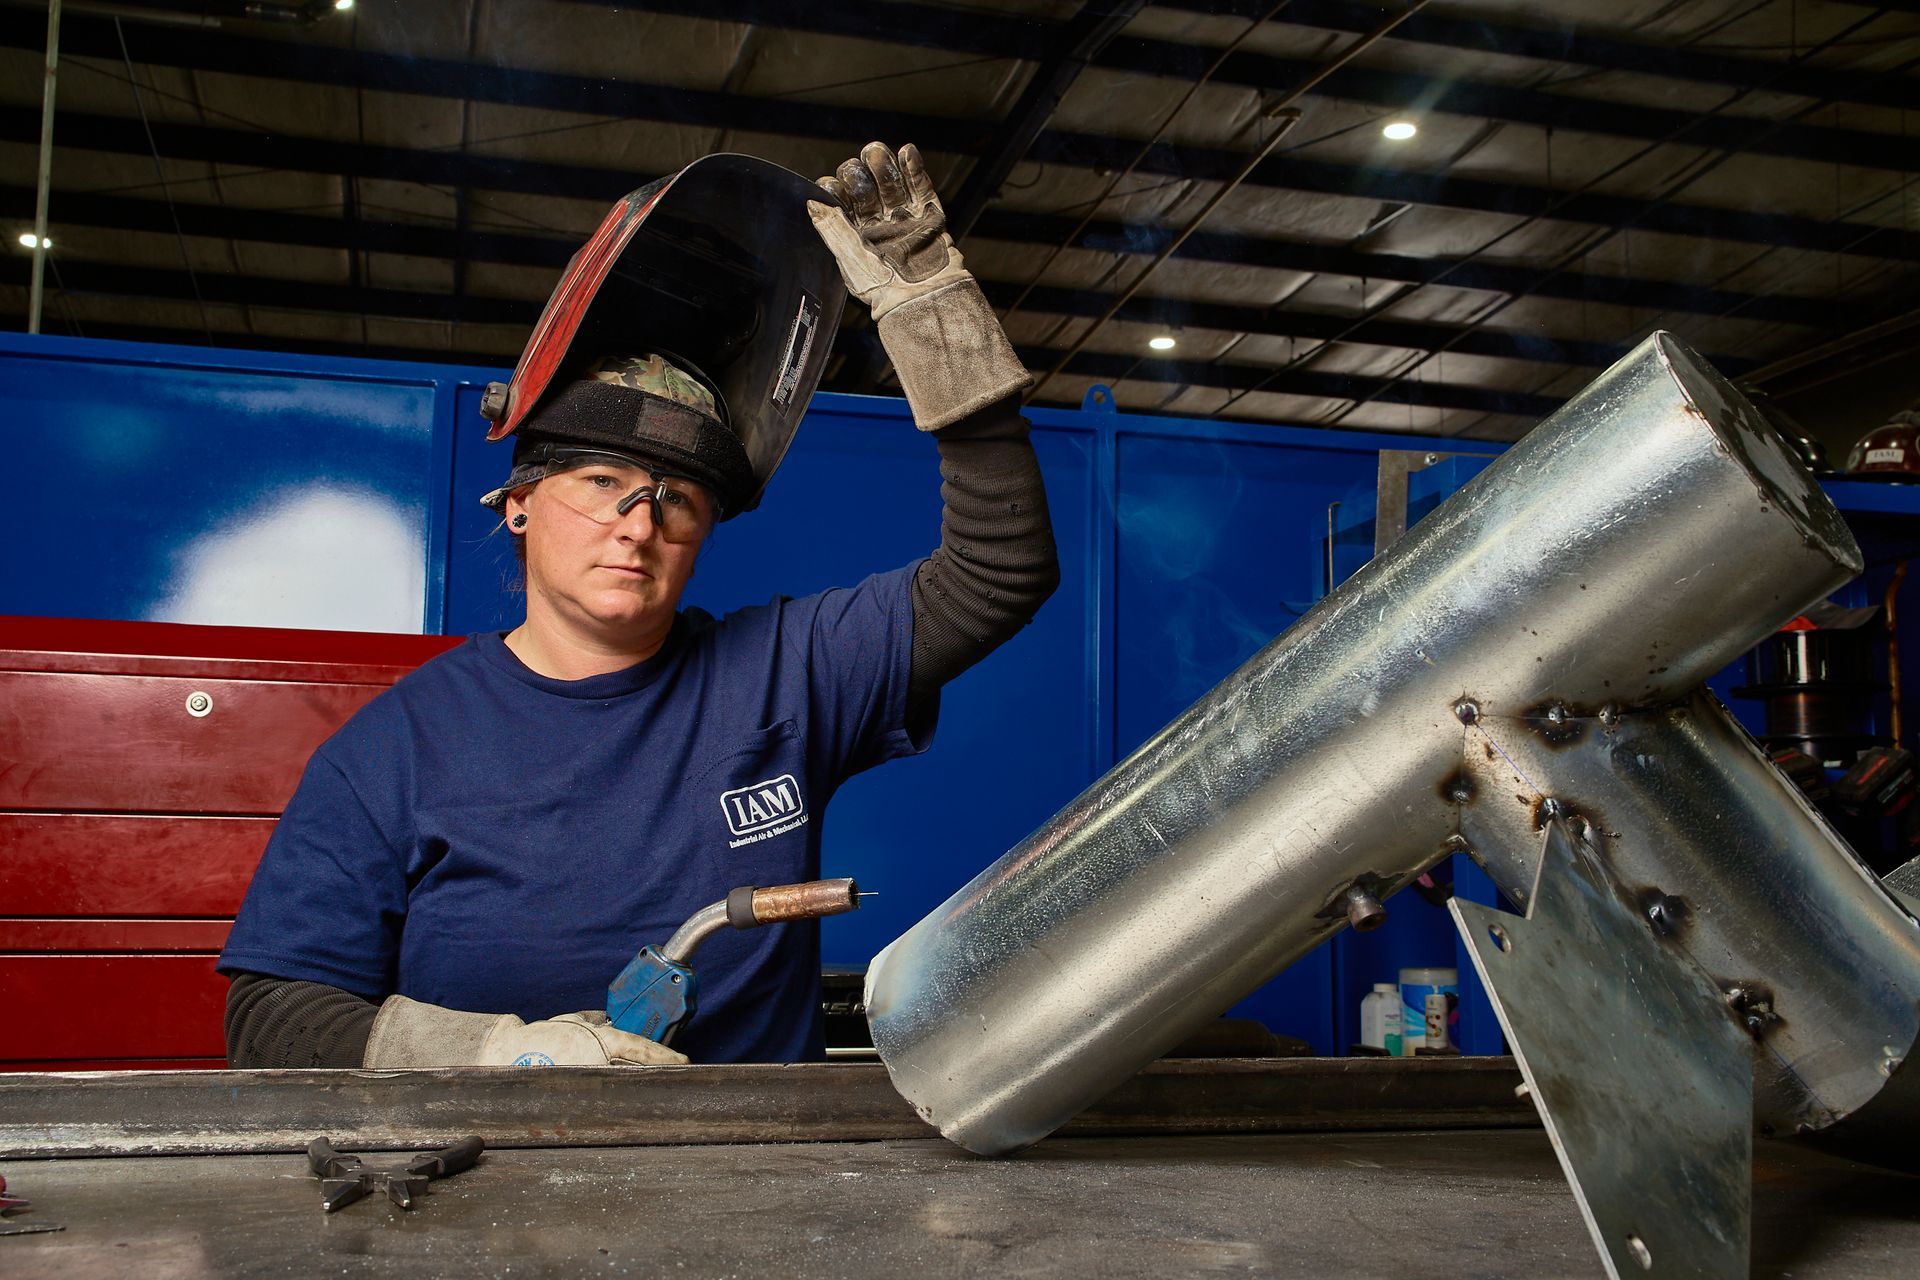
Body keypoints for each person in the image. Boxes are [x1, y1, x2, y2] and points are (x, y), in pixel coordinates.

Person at [217, 142, 1057, 1068]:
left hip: (761, 1184)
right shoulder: (390, 753)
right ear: (520, 506)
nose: (637, 524)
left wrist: (934, 315)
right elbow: (272, 1015)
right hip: (485, 1190)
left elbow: (1000, 568)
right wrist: (503, 1056)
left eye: (677, 499)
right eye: (603, 479)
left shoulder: (785, 674)